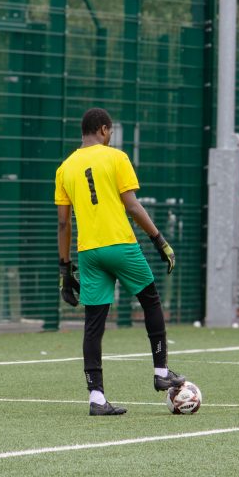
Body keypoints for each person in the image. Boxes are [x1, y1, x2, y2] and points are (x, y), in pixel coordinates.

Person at [55, 107, 186, 416]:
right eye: (110, 132)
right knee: (151, 301)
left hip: (89, 253)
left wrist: (64, 268)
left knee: (93, 323)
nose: (110, 137)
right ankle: (161, 372)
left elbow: (63, 224)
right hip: (121, 246)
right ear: (103, 129)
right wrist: (159, 240)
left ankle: (97, 398)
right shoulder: (116, 158)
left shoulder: (65, 168)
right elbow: (133, 206)